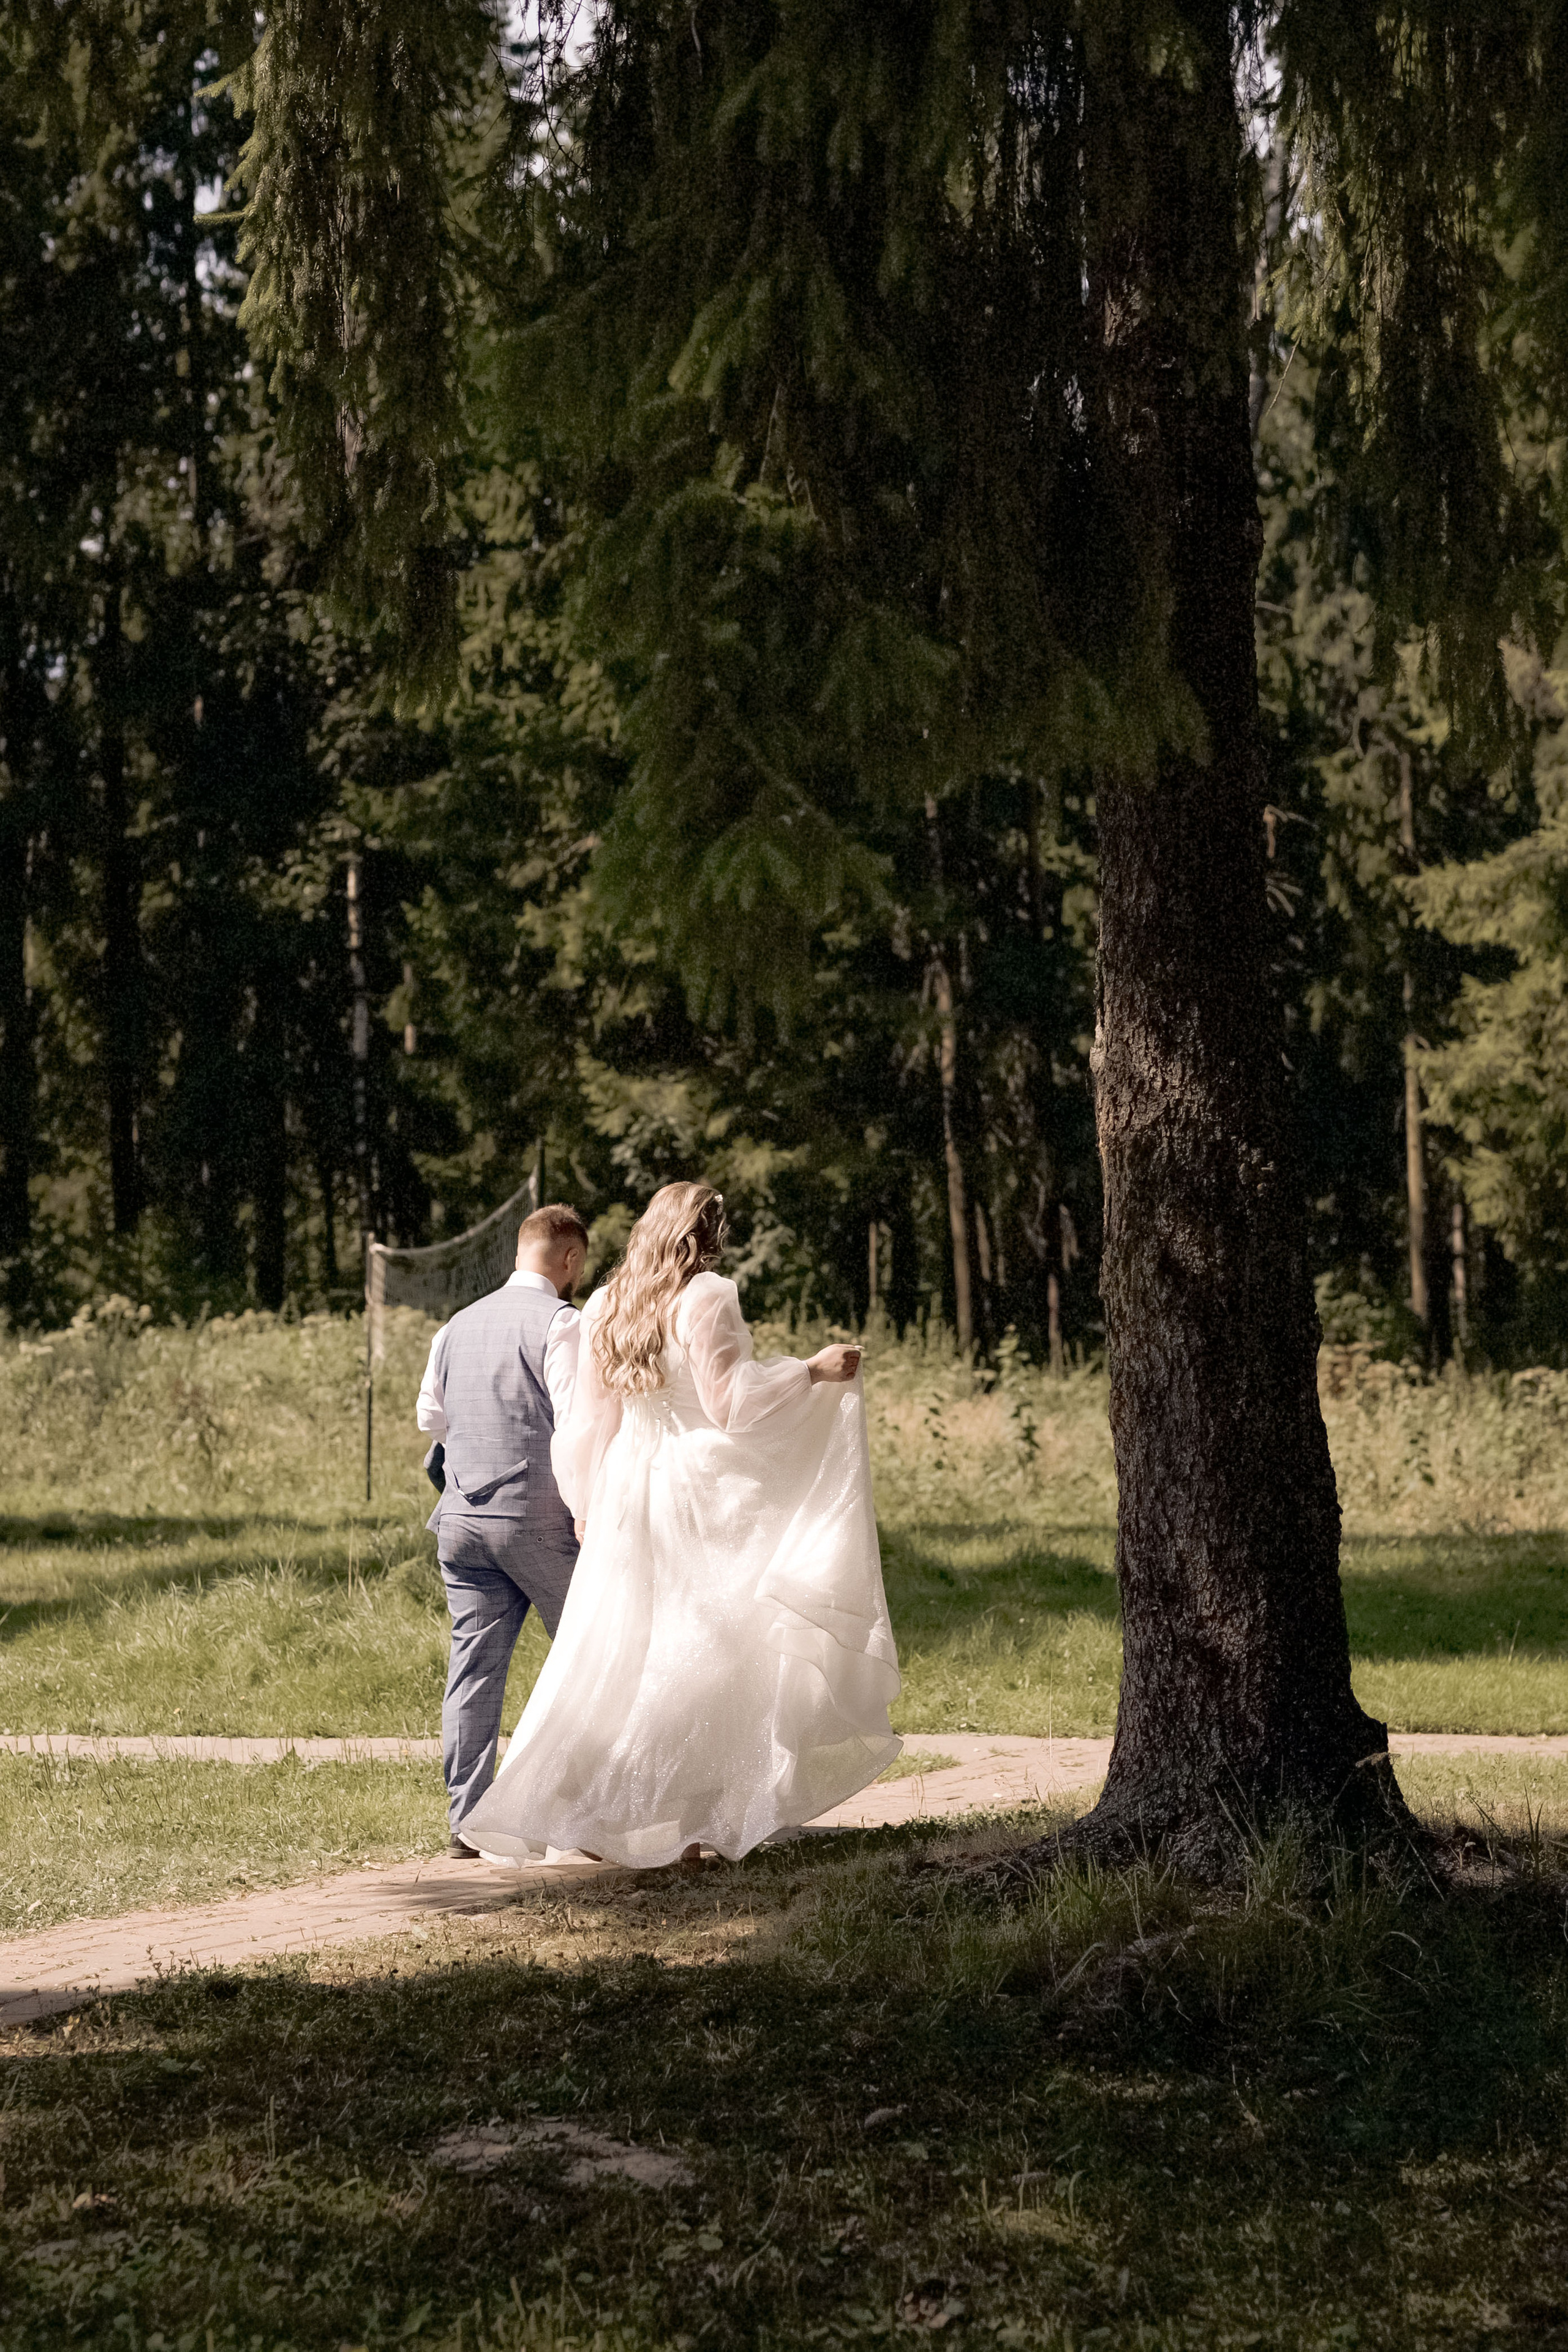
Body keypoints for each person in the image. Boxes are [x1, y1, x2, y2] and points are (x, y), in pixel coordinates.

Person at [459, 1180, 901, 1869]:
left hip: (627, 1486)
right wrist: (809, 1372)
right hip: (695, 1486)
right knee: (703, 1645)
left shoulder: (605, 1302)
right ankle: (692, 1821)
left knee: (617, 1648)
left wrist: (584, 1503)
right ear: (705, 1234)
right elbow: (731, 1405)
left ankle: (589, 1808)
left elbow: (590, 1422)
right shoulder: (707, 1296)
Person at [417, 1201, 589, 1856]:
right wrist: (584, 1511)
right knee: (590, 1654)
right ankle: (581, 1809)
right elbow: (574, 1429)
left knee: (473, 1671)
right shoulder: (562, 1323)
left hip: (460, 1519)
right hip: (536, 1523)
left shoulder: (456, 1325)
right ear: (568, 1259)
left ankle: (466, 1822)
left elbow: (431, 1418)